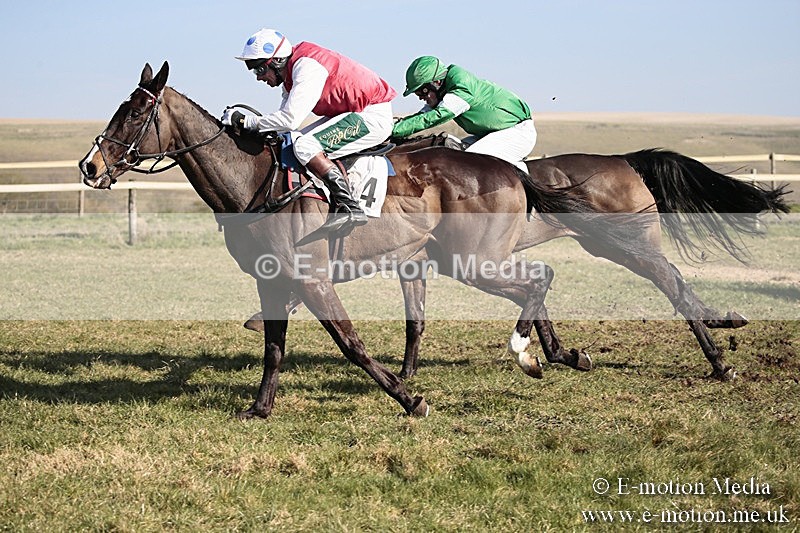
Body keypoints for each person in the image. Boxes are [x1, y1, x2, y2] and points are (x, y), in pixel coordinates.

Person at [221, 29, 397, 231]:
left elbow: (289, 119)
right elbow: (285, 126)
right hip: (350, 113)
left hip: (372, 115)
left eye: (260, 70)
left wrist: (246, 121)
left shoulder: (306, 67)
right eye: (254, 71)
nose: (259, 78)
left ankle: (349, 206)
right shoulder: (290, 76)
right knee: (292, 139)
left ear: (277, 61)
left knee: (305, 146)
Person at [392, 56, 536, 172]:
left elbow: (433, 118)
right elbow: (420, 117)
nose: (420, 97)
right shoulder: (444, 90)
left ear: (436, 82)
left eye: (421, 91)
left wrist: (392, 131)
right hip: (492, 133)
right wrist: (393, 126)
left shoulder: (462, 87)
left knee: (468, 163)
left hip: (517, 133)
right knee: (451, 152)